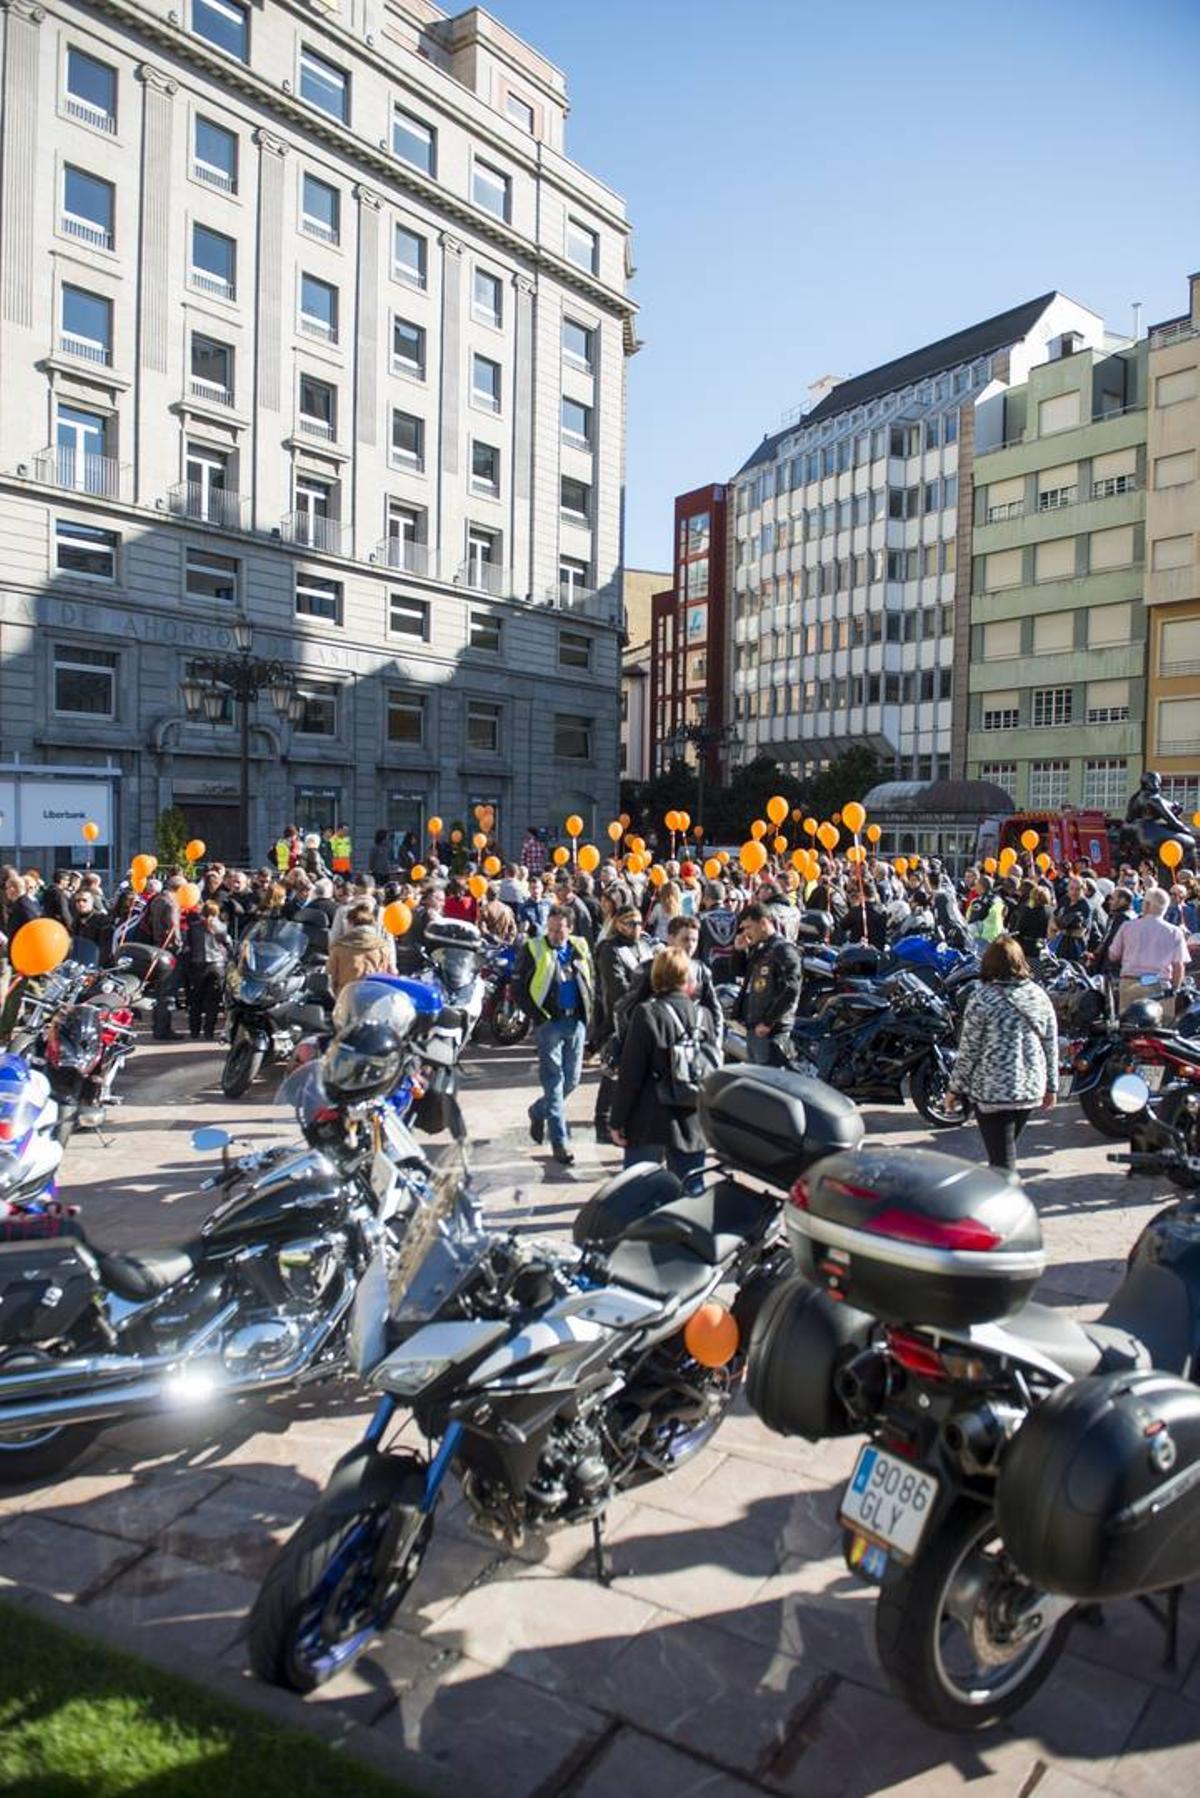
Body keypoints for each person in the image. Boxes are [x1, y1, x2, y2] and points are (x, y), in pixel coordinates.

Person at [609, 946, 717, 1197]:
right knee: (691, 1197)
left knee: (637, 1195)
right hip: (691, 1119)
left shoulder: (647, 1013)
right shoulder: (704, 1016)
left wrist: (617, 1120)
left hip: (649, 1119)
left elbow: (630, 1075)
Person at [947, 936, 1058, 1175]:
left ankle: (1007, 1197)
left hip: (993, 1091)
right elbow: (1050, 1045)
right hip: (1029, 1088)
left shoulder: (982, 997)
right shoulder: (1038, 995)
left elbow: (969, 1049)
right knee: (1003, 1155)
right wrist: (1052, 1086)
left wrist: (955, 1089)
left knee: (1002, 1164)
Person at [514, 904, 594, 1166]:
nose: (554, 935)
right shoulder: (533, 948)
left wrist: (590, 1013)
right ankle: (559, 1141)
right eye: (550, 929)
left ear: (570, 929)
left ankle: (538, 1111)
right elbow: (518, 988)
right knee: (554, 1081)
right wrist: (538, 1017)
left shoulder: (579, 947)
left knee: (571, 1080)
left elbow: (590, 979)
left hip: (576, 1021)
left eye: (559, 930)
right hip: (550, 1023)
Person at [592, 905, 653, 1143]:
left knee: (632, 1073)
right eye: (631, 923)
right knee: (613, 1070)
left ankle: (626, 1120)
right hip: (616, 1018)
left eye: (639, 923)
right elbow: (617, 987)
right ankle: (603, 1122)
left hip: (642, 1017)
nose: (637, 928)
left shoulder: (644, 945)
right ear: (618, 924)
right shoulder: (609, 949)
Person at [731, 900, 803, 1066]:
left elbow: (791, 988)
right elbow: (740, 973)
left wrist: (768, 1022)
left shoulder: (783, 950)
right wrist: (739, 951)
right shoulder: (761, 948)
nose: (746, 933)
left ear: (763, 923)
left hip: (771, 1030)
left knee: (768, 1075)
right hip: (754, 1025)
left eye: (749, 927)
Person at [1106, 885, 1190, 1020]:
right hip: (1160, 985)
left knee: (1128, 1026)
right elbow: (1179, 966)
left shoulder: (1128, 927)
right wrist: (1175, 989)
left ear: (1147, 905)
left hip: (1130, 983)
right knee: (1162, 1027)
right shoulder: (1175, 932)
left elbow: (1113, 955)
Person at [326, 901, 395, 994]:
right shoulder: (382, 948)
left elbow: (330, 977)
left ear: (351, 923)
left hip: (345, 996)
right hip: (373, 996)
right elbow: (389, 975)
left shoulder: (339, 948)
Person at [185, 901, 229, 1039]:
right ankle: (209, 1031)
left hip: (198, 965)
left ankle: (194, 1031)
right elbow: (228, 944)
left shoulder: (193, 927)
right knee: (213, 1002)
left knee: (195, 1000)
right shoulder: (221, 927)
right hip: (217, 965)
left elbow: (187, 946)